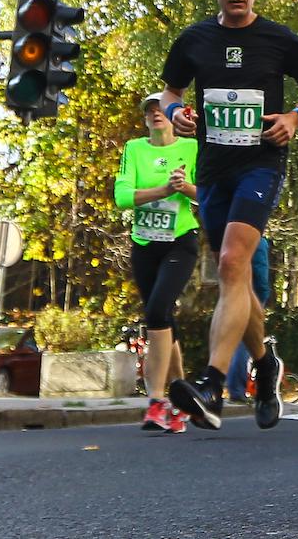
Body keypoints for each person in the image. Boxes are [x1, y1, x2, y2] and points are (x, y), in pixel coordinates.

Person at [162, 0, 298, 430]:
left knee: (233, 263)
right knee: (232, 276)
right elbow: (170, 93)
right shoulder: (194, 40)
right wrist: (176, 113)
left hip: (261, 164)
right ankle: (266, 363)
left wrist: (296, 116)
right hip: (213, 168)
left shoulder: (278, 40)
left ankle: (212, 384)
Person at [114, 93, 199, 433]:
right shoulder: (135, 149)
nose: (155, 114)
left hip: (180, 240)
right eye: (149, 111)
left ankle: (157, 402)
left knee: (157, 312)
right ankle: (182, 403)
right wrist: (163, 191)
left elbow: (210, 194)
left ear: (173, 115)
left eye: (160, 109)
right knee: (164, 319)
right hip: (144, 244)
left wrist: (187, 187)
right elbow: (122, 197)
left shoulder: (192, 148)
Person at [226, 238, 273, 403]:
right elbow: (260, 273)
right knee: (245, 345)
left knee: (229, 344)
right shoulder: (258, 241)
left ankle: (223, 385)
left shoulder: (229, 237)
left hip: (231, 295)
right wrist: (262, 298)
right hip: (250, 297)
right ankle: (237, 389)